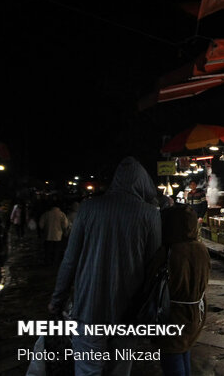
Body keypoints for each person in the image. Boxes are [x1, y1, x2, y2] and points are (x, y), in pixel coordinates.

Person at [49, 157, 162, 375]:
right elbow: (153, 268)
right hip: (129, 312)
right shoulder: (150, 214)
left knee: (88, 369)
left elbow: (70, 259)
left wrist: (57, 299)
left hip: (89, 308)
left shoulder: (88, 208)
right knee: (120, 370)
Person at [147, 204, 210, 376]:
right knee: (184, 348)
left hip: (173, 314)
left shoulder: (169, 251)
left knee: (172, 354)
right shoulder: (201, 248)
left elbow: (153, 279)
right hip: (196, 310)